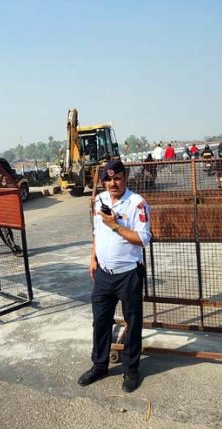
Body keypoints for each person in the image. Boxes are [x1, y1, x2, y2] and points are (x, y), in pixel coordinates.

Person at [78, 159, 151, 393]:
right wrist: (93, 258)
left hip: (128, 274)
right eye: (108, 179)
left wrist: (116, 225)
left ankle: (131, 369)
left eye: (117, 178)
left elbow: (143, 239)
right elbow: (96, 231)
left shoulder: (137, 203)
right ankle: (100, 365)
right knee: (100, 321)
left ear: (125, 179)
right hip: (103, 274)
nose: (112, 183)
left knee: (133, 322)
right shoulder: (100, 200)